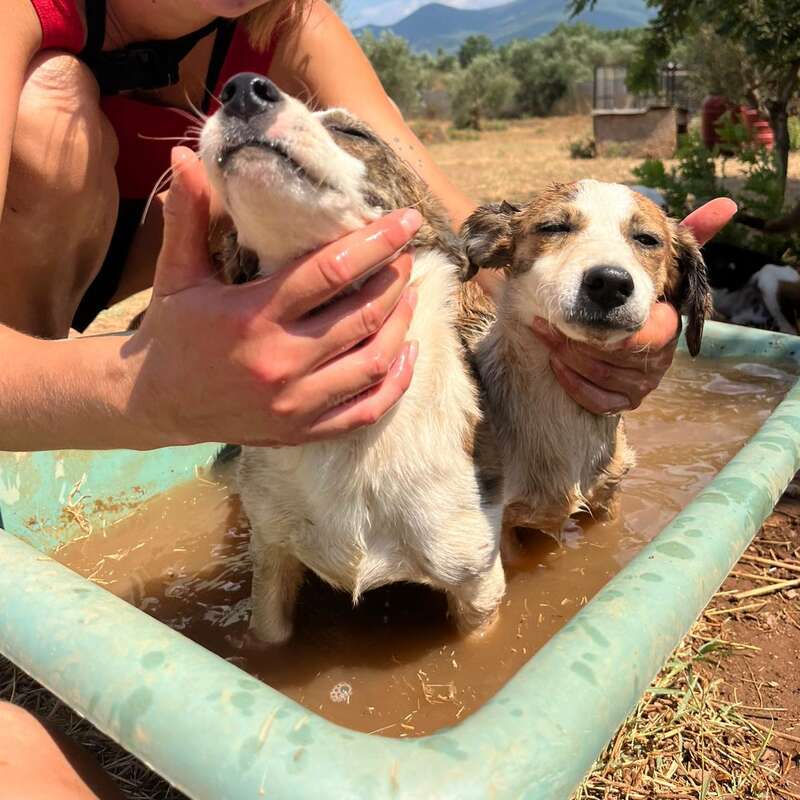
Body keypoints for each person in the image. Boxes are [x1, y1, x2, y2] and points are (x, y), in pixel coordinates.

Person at [0, 1, 736, 796]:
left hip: (223, 227)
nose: (245, 96)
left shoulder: (290, 20)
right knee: (51, 102)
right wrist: (140, 389)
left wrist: (617, 292)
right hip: (76, 247)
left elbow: (441, 221)